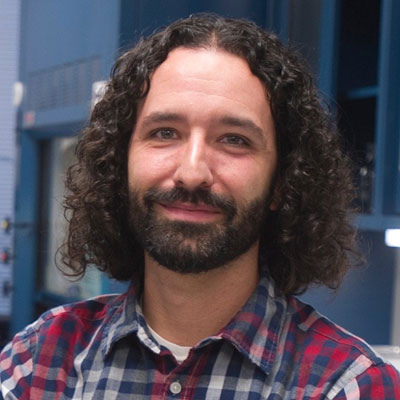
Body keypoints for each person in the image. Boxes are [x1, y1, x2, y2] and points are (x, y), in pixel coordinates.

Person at [1, 14, 399, 399]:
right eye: (165, 133)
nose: (192, 173)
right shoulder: (39, 362)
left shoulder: (349, 386)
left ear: (282, 182)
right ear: (119, 165)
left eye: (234, 140)